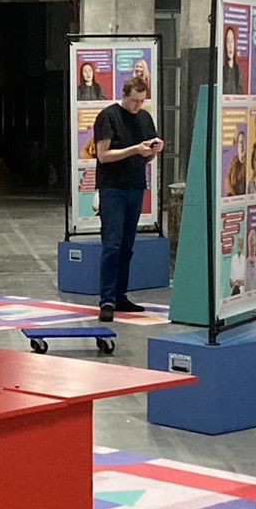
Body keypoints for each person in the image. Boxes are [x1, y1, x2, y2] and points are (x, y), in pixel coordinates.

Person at [91, 72, 163, 322]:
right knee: (112, 244)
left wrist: (154, 150)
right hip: (113, 188)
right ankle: (107, 299)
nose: (137, 106)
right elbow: (103, 155)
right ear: (124, 96)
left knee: (127, 246)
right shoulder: (108, 116)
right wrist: (134, 149)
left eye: (142, 101)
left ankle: (120, 295)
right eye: (134, 101)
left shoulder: (144, 118)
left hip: (135, 186)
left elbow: (146, 156)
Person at [226, 126, 247, 198]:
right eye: (240, 142)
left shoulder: (248, 162)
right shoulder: (234, 161)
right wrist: (231, 194)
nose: (242, 145)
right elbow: (227, 179)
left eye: (243, 142)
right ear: (237, 145)